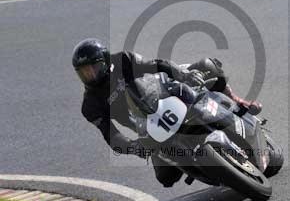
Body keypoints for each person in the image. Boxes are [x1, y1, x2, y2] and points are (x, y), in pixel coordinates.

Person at [72, 38, 262, 188]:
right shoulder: (90, 105)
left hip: (165, 93)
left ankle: (238, 101)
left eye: (93, 69)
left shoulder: (122, 60)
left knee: (207, 66)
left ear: (104, 61)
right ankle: (206, 168)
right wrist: (132, 146)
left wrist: (183, 75)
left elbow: (156, 64)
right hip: (148, 128)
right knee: (166, 177)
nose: (90, 75)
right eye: (84, 73)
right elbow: (111, 135)